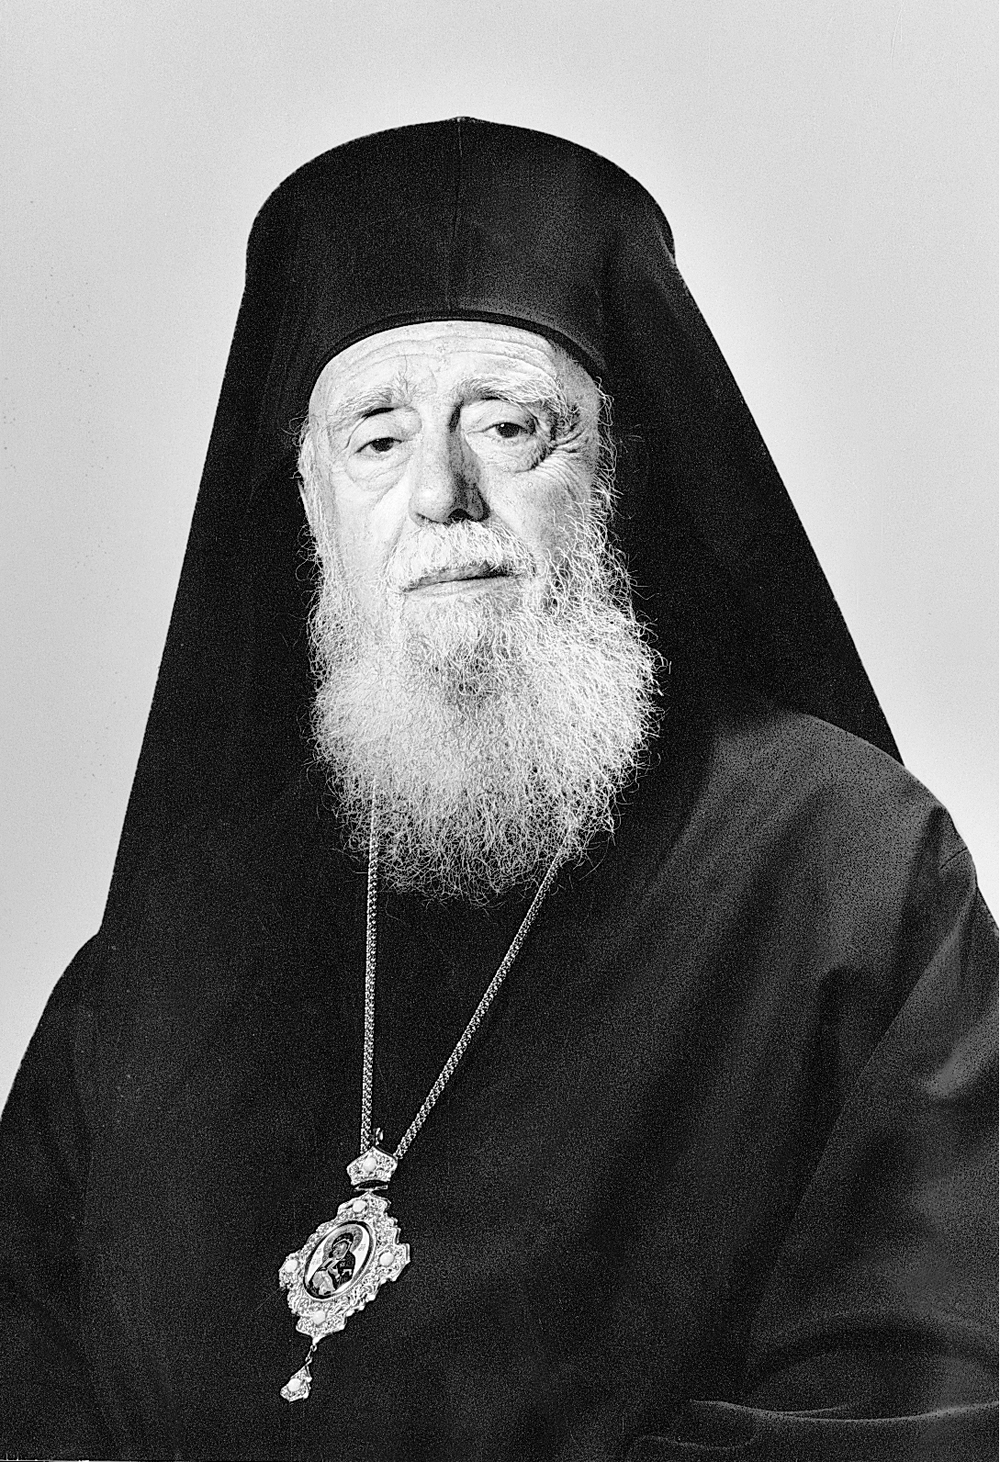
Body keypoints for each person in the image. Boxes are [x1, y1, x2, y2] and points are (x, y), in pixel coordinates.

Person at [0, 118, 995, 1461]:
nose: (442, 494)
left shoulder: (851, 874)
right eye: (375, 439)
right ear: (310, 504)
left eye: (511, 427)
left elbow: (919, 1402)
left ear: (618, 469)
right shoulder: (168, 954)